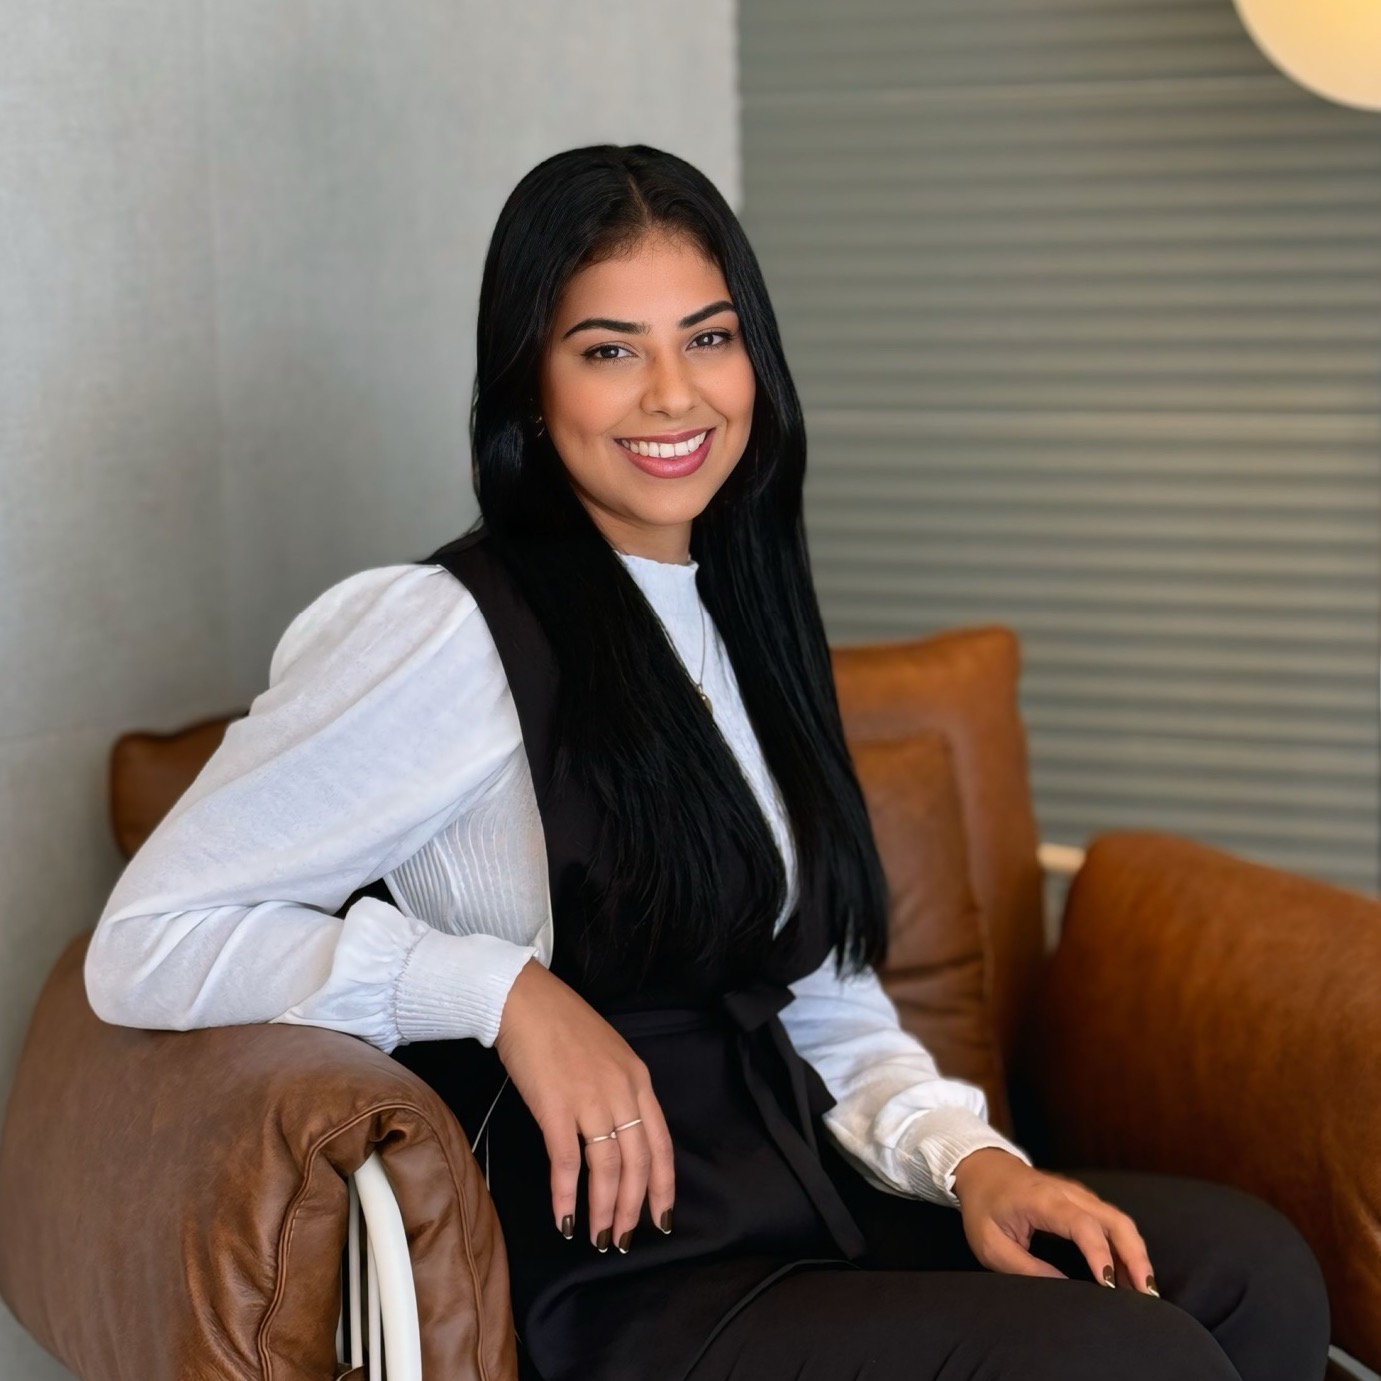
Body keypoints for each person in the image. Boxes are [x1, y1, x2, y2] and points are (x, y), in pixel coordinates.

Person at [85, 144, 1330, 1381]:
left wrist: (970, 1162)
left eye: (709, 338)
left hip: (809, 1190)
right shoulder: (442, 631)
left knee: (1246, 1269)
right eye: (609, 351)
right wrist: (502, 993)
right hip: (633, 1275)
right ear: (530, 384)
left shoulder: (746, 607)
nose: (674, 395)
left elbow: (822, 996)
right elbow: (148, 941)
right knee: (1119, 1354)